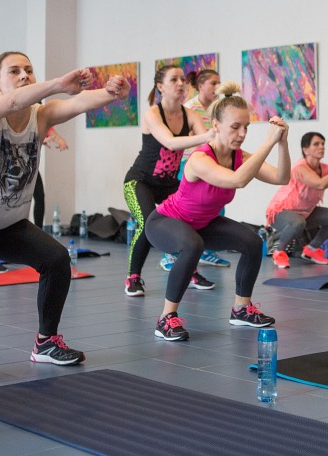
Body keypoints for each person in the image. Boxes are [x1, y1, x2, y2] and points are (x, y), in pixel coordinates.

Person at [0, 51, 130, 383]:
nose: (24, 75)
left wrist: (111, 93)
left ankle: (46, 342)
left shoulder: (41, 116)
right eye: (14, 71)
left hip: (3, 225)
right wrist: (59, 83)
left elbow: (79, 103)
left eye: (29, 70)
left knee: (57, 258)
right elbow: (12, 102)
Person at [145, 82, 291, 340]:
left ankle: (241, 309)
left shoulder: (240, 156)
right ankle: (166, 318)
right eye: (235, 127)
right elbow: (238, 180)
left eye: (246, 127)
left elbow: (281, 177)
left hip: (203, 223)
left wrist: (282, 143)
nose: (242, 133)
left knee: (252, 243)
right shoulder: (200, 159)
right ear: (215, 125)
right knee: (193, 245)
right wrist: (268, 141)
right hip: (165, 222)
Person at [123, 66, 215, 297]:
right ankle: (133, 278)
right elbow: (171, 142)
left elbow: (207, 146)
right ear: (160, 87)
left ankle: (190, 271)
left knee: (190, 221)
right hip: (139, 182)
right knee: (147, 223)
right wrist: (208, 135)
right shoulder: (152, 114)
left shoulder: (191, 115)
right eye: (174, 79)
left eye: (182, 79)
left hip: (169, 183)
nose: (181, 83)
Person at [159, 68, 230, 270]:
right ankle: (170, 254)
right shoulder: (190, 109)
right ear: (200, 86)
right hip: (190, 165)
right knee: (185, 211)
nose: (217, 87)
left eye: (219, 83)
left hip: (212, 164)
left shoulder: (218, 108)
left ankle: (208, 252)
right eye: (213, 83)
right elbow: (189, 141)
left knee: (217, 207)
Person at [265, 132, 328, 268]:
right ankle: (278, 252)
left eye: (323, 144)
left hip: (304, 214)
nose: (321, 147)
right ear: (305, 150)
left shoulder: (326, 168)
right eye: (316, 144)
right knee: (298, 222)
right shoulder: (300, 168)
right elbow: (320, 184)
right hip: (279, 213)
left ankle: (311, 249)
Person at [33, 126, 68, 229]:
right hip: (16, 165)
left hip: (31, 167)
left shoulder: (37, 119)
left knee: (39, 197)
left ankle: (38, 230)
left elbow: (51, 132)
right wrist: (40, 141)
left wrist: (60, 140)